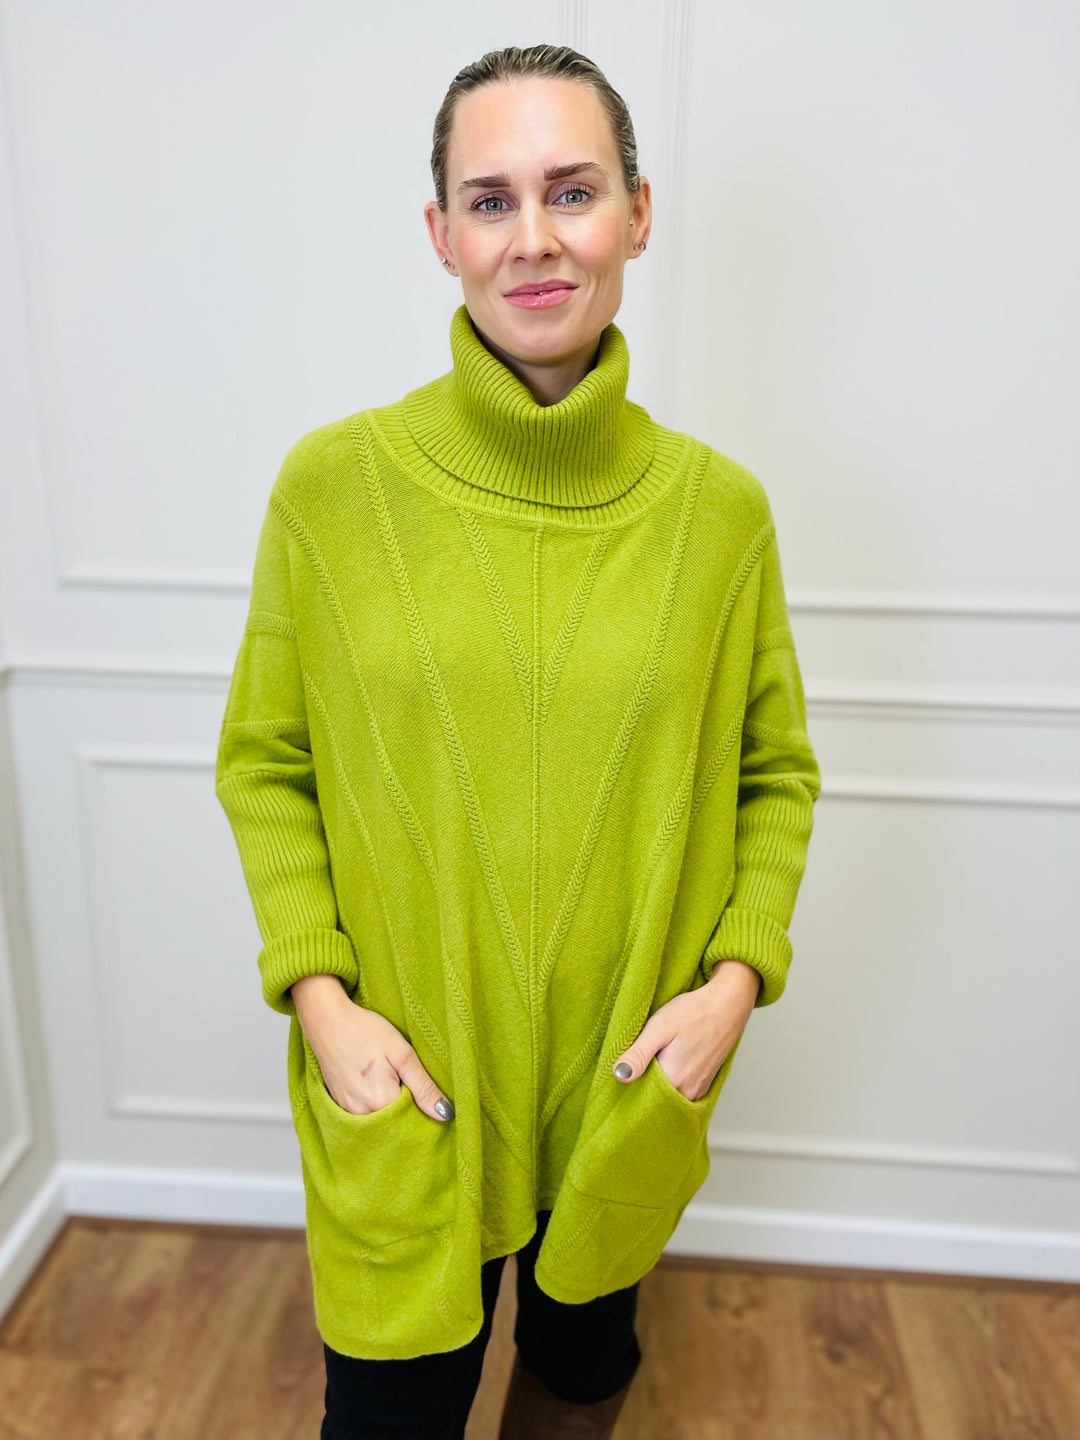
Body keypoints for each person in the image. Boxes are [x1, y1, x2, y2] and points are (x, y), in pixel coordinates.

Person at [215, 41, 821, 1440]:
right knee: (392, 1413)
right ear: (441, 234)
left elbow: (774, 775)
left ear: (638, 214)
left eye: (573, 190)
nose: (533, 238)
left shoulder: (720, 517)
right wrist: (323, 1003)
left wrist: (734, 985)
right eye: (490, 201)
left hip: (625, 1085)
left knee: (583, 1376)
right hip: (408, 1085)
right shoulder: (332, 488)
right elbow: (265, 762)